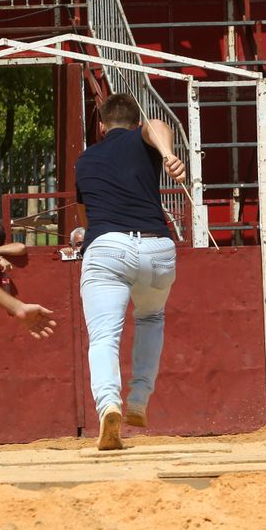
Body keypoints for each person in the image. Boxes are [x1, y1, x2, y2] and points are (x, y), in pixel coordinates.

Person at [73, 95, 186, 448]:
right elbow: (159, 127)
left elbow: (83, 216)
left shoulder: (85, 159)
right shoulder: (145, 137)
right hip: (157, 246)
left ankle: (109, 404)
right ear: (135, 123)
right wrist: (167, 155)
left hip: (108, 247)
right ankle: (139, 398)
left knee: (104, 336)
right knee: (151, 319)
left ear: (102, 126)